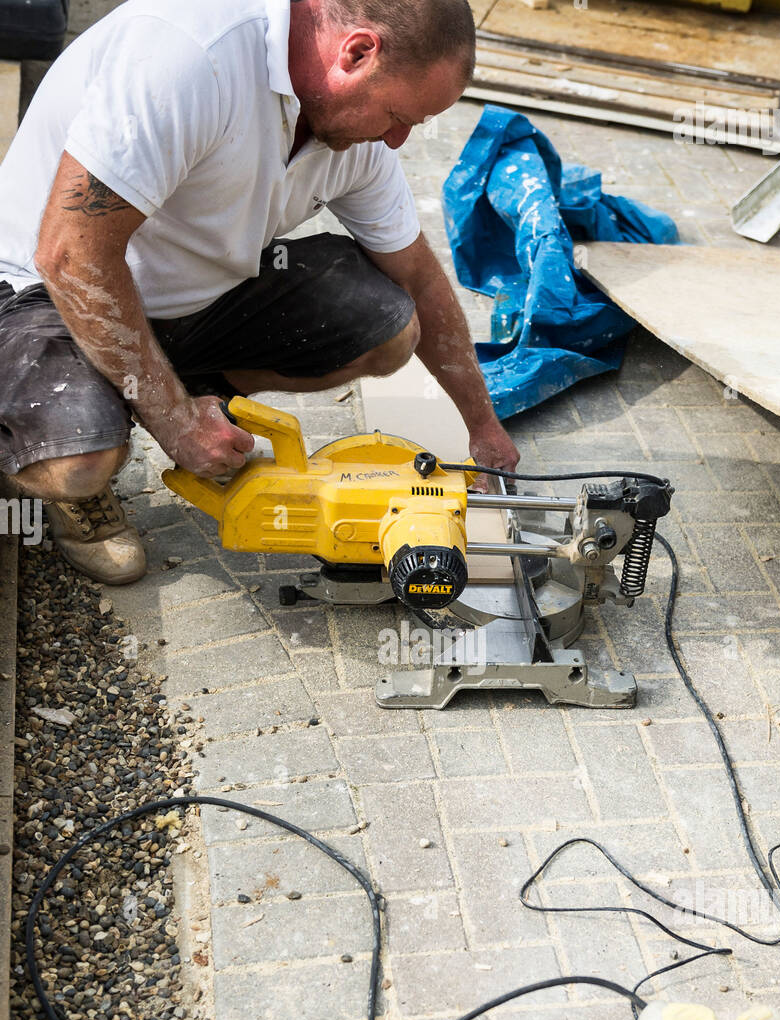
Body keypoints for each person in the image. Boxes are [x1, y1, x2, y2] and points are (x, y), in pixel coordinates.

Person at [0, 0, 519, 583]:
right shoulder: (190, 56)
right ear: (357, 53)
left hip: (189, 298)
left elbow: (418, 276)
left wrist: (484, 427)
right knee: (80, 463)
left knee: (390, 327)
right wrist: (172, 419)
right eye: (399, 116)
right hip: (45, 290)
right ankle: (73, 452)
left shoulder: (354, 131)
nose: (397, 141)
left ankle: (162, 393)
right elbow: (71, 253)